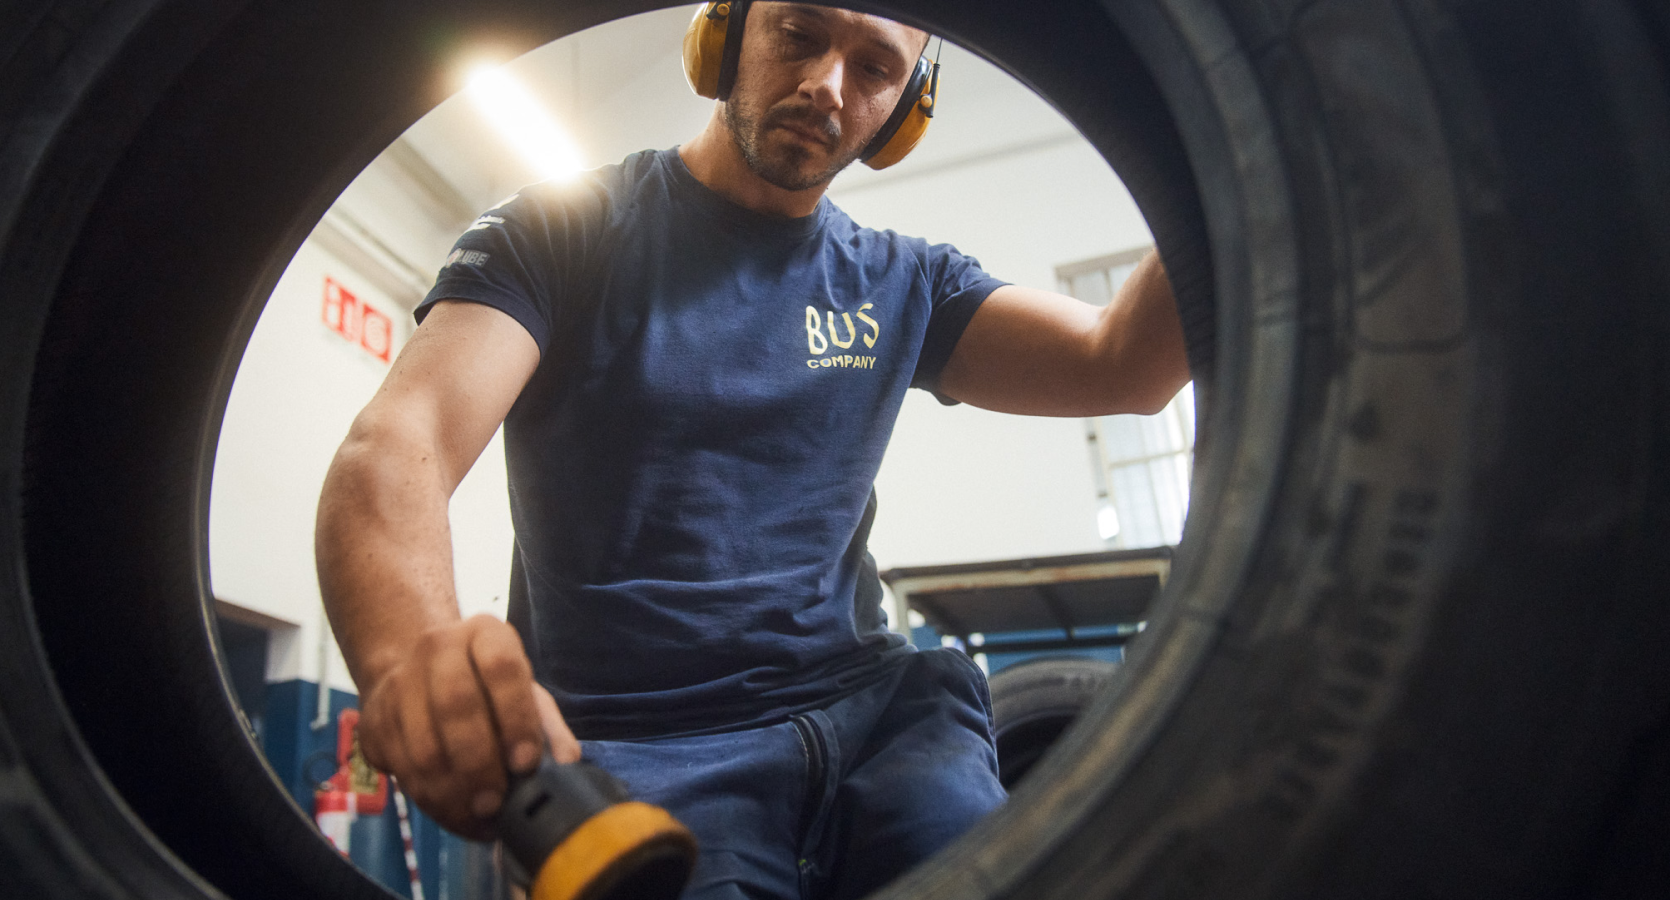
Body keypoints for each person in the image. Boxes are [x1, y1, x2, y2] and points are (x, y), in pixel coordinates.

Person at [315, 2, 1189, 897]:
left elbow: (1123, 364)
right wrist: (406, 656)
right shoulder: (564, 232)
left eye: (875, 69)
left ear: (908, 107)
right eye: (799, 36)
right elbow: (399, 440)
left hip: (885, 728)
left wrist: (1222, 146)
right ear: (724, 33)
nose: (826, 86)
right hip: (636, 756)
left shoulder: (907, 281)